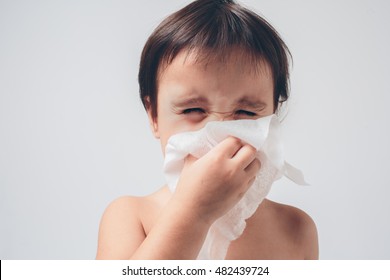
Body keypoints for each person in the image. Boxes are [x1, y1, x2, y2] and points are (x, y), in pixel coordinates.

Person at [96, 0, 318, 259]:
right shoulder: (131, 217)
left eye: (246, 113)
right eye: (193, 110)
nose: (221, 132)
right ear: (154, 116)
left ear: (272, 120)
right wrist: (195, 212)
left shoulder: (296, 229)